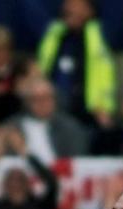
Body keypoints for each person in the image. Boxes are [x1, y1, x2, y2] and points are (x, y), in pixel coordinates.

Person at [36, 0, 116, 129]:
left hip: (89, 110)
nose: (70, 8)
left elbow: (104, 74)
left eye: (76, 4)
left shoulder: (100, 32)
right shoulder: (54, 32)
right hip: (52, 108)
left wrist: (103, 107)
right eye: (68, 4)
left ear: (89, 10)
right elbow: (43, 66)